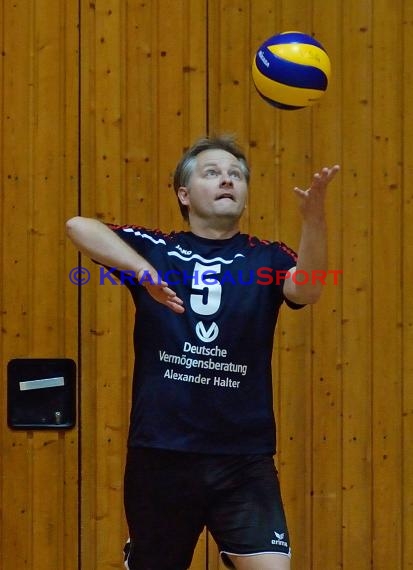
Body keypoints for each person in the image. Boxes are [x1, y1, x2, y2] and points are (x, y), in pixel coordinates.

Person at [66, 135, 339, 570]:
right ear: (184, 194)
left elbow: (309, 288)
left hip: (243, 457)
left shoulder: (267, 257)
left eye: (235, 175)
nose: (227, 180)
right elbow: (78, 226)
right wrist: (143, 272)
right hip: (162, 453)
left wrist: (314, 220)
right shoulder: (157, 248)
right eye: (212, 173)